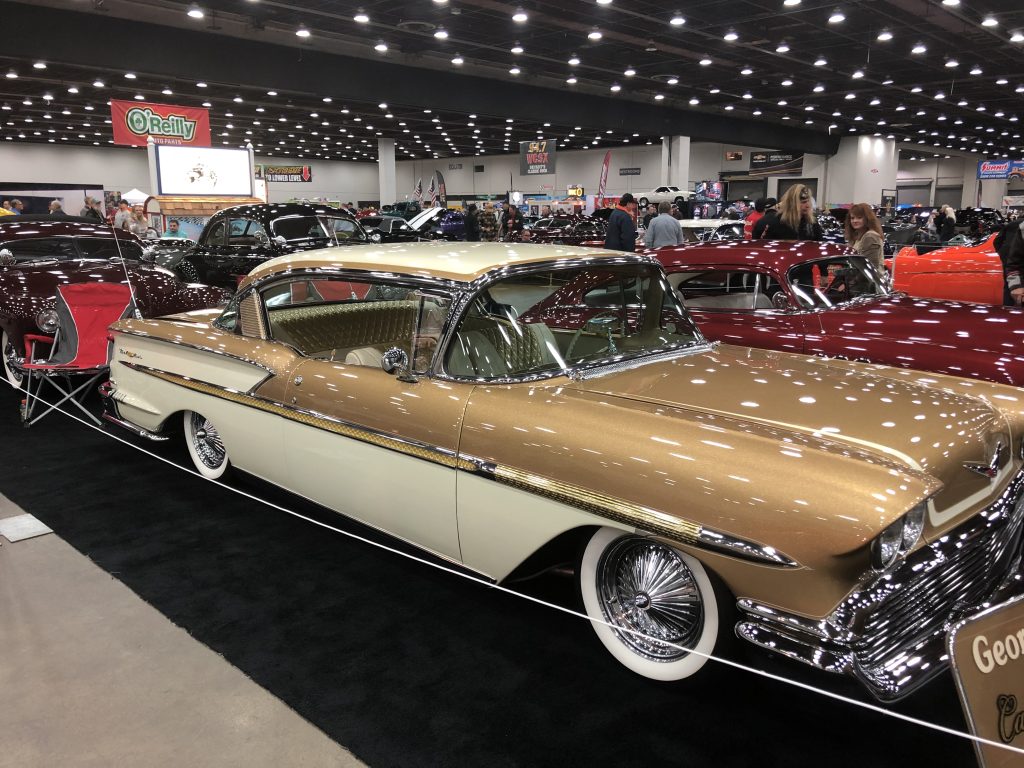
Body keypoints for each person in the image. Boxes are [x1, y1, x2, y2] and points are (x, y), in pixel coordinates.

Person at [753, 185, 822, 240]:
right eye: (803, 202)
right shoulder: (773, 222)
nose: (808, 205)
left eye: (808, 201)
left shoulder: (812, 223)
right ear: (792, 203)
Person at [844, 203, 884, 272]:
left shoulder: (870, 236)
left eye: (859, 217)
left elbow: (871, 266)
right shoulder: (858, 236)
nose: (855, 221)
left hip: (869, 281)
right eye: (852, 218)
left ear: (867, 219)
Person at [995, 218, 1024, 305]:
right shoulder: (1021, 227)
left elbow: (996, 242)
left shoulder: (1012, 224)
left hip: (1007, 260)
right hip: (1012, 265)